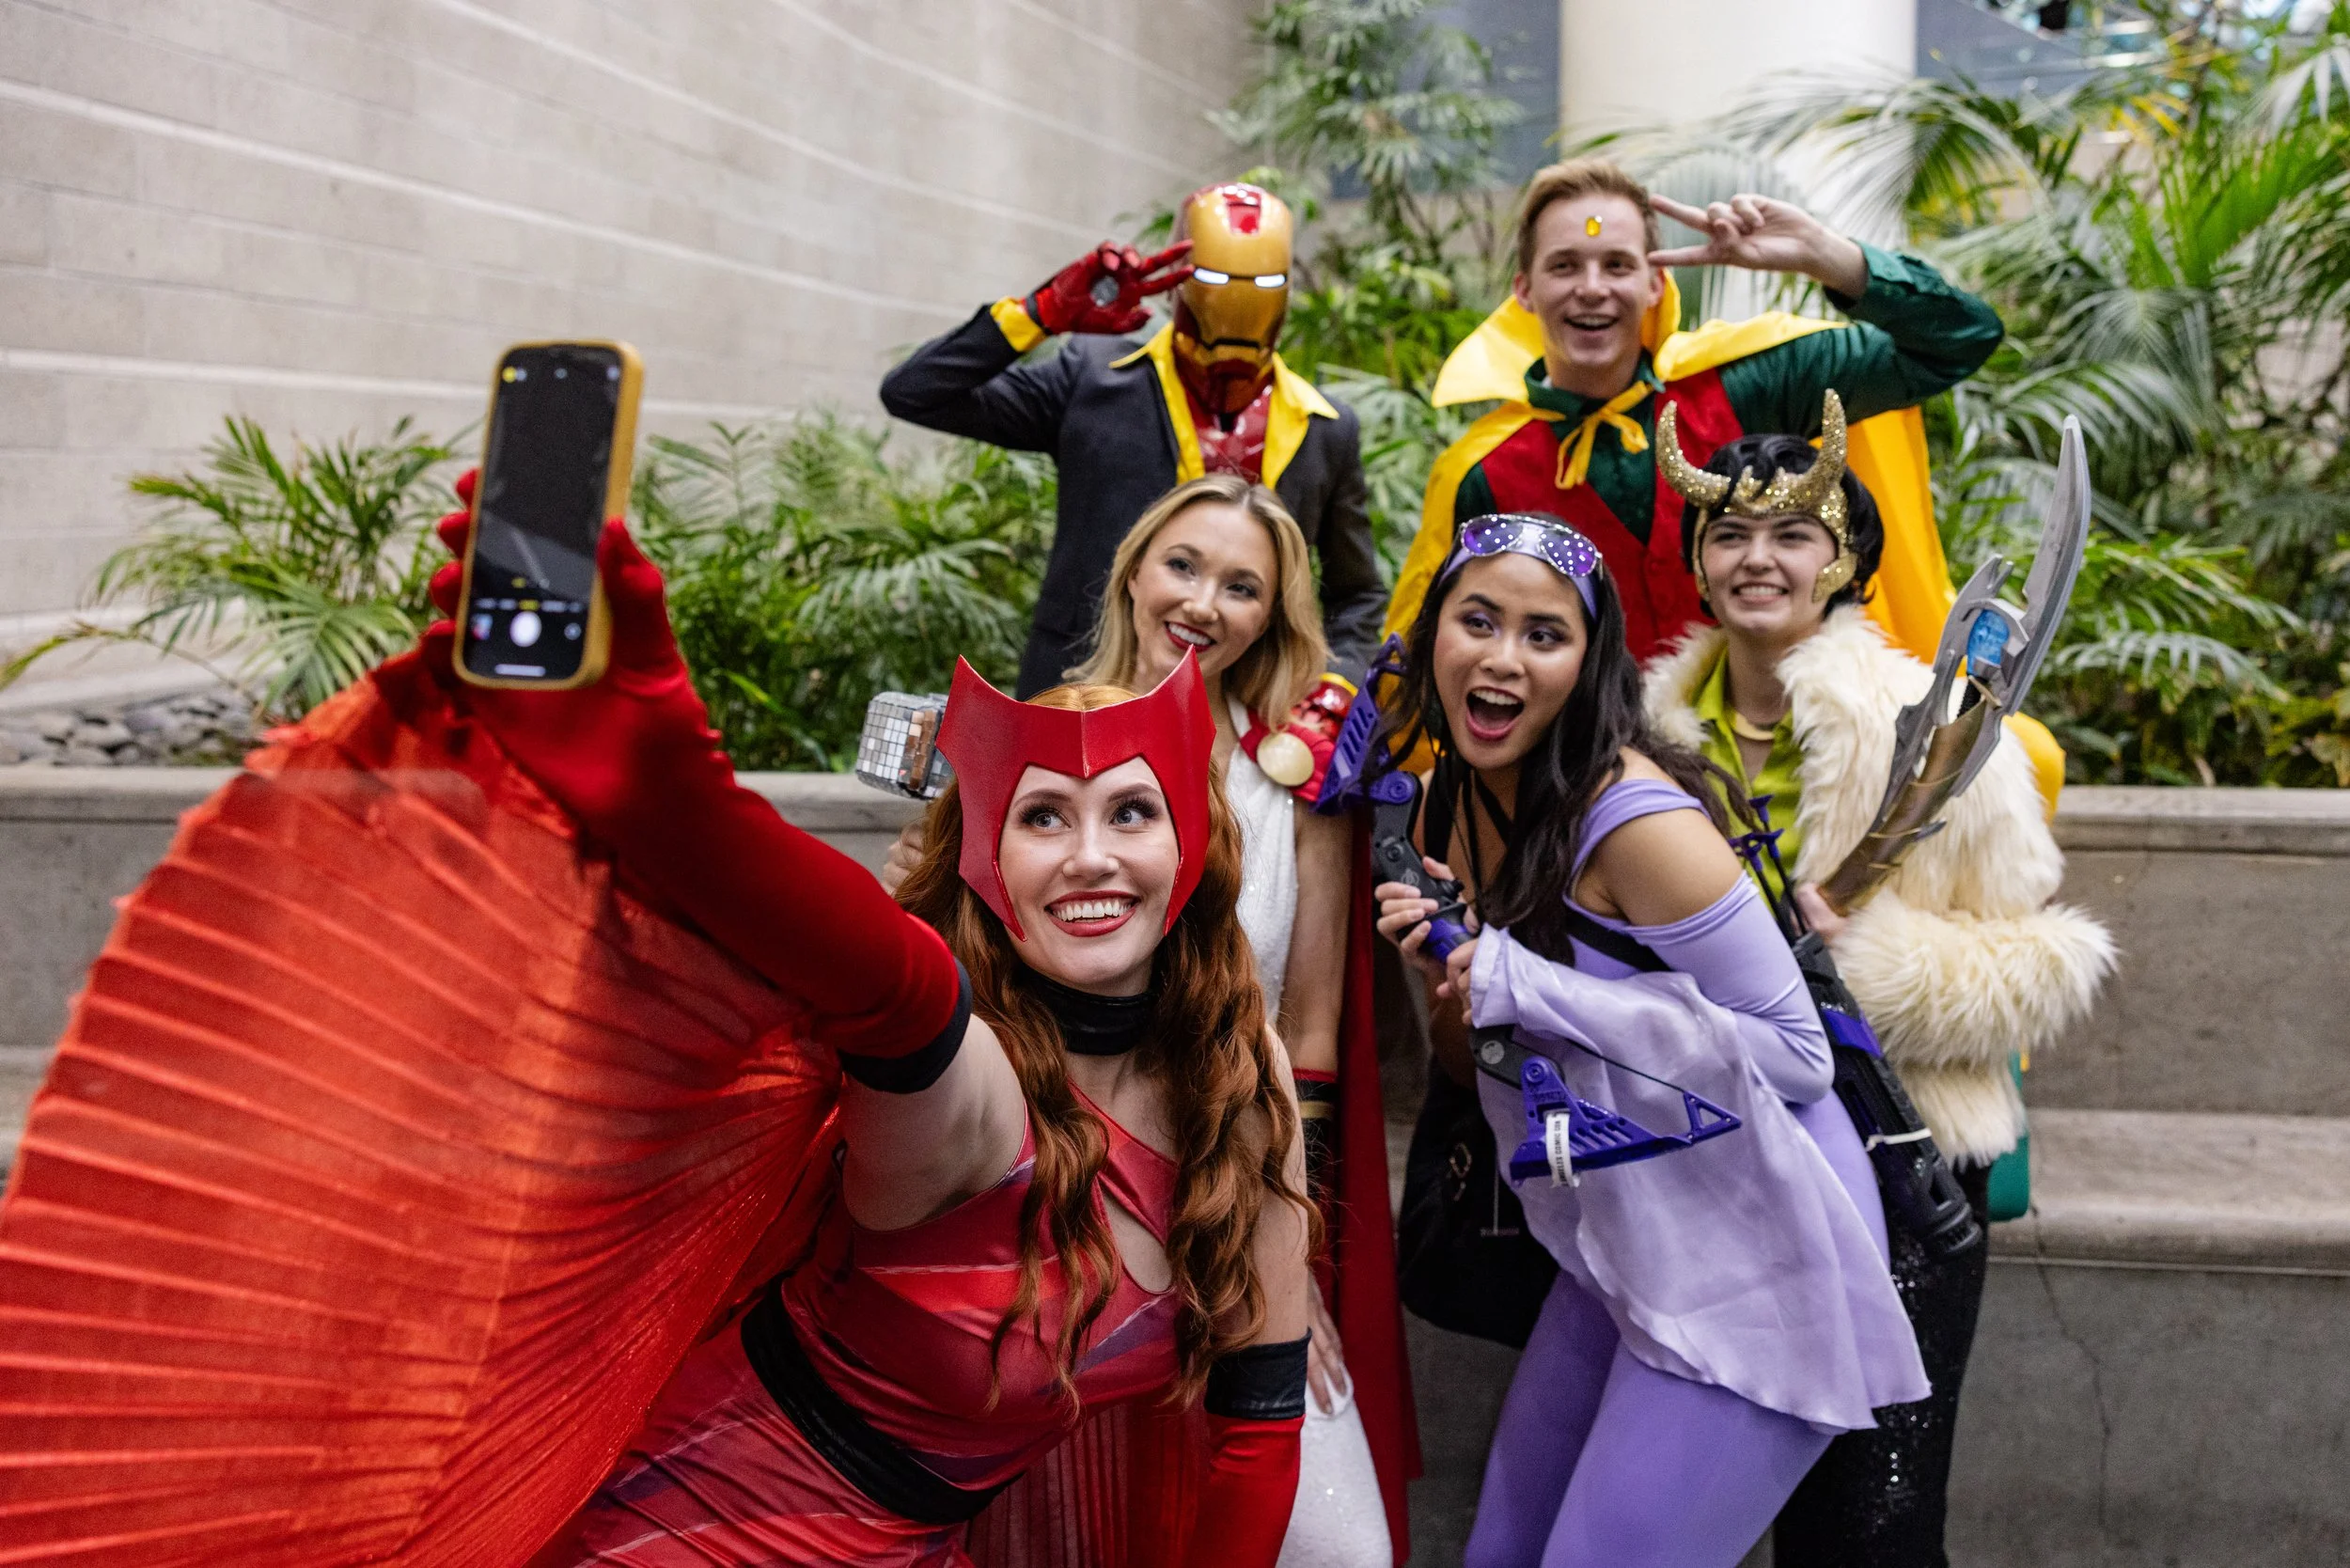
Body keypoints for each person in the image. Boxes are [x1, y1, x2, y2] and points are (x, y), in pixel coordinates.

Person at [0, 473, 1319, 1568]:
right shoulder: (967, 1083)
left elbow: (1258, 1431)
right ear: (990, 861)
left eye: (1129, 812)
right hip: (696, 1526)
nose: (1091, 856)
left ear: (1192, 843)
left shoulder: (1235, 1076)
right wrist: (655, 769)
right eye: (1043, 816)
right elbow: (869, 967)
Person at [1372, 511, 1927, 1568]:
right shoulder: (1446, 807)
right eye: (1477, 620)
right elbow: (1473, 1061)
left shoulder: (1636, 824)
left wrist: (1520, 976)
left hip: (1759, 1234)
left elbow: (1796, 1054)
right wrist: (1448, 974)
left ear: (1586, 668)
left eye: (1544, 635)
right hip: (1624, 1225)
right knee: (1502, 1550)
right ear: (1432, 629)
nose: (1501, 657)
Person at [886, 475, 1418, 1566]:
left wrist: (1290, 1258)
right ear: (1132, 572)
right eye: (1183, 565)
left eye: (1242, 586)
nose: (1203, 602)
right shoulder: (1024, 743)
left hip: (1226, 1178)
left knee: (1332, 1547)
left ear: (1272, 616)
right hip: (1028, 1187)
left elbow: (1307, 1032)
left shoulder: (1296, 777)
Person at [1648, 409, 2115, 1566]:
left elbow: (2045, 963)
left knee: (1872, 1522)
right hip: (1707, 1167)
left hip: (1897, 1160)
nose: (1758, 558)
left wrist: (1861, 968)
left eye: (1792, 533)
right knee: (1706, 1506)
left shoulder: (1944, 731)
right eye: (1729, 532)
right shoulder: (1641, 737)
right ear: (1698, 561)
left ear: (1845, 558)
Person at [1386, 158, 2005, 668]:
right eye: (1565, 265)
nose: (1594, 288)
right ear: (1525, 290)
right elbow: (1424, 649)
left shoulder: (1751, 379)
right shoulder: (1483, 473)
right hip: (1583, 795)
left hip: (1779, 766)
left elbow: (1960, 341)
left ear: (1657, 283)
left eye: (1619, 265)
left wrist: (1822, 254)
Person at [879, 181, 1384, 697]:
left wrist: (1331, 691)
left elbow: (1358, 592)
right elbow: (915, 391)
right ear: (1176, 284)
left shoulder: (1324, 427)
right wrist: (1042, 312)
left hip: (1241, 714)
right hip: (1081, 689)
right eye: (1212, 276)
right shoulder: (1096, 379)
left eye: (1263, 281)